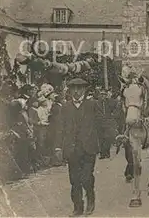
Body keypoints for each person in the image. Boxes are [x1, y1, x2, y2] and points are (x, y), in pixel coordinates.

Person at [55, 78, 101, 216]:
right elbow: (60, 129)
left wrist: (110, 138)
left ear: (84, 90)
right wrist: (58, 147)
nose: (76, 91)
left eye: (79, 88)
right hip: (72, 149)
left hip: (88, 148)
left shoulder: (92, 105)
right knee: (74, 180)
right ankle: (78, 207)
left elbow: (101, 123)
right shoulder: (65, 107)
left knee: (86, 177)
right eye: (73, 88)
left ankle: (90, 199)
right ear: (69, 90)